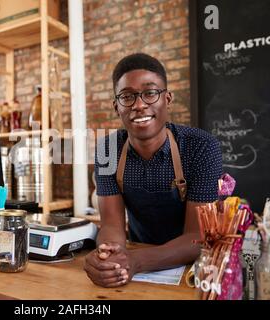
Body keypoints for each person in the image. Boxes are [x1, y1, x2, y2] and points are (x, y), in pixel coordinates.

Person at [84, 53, 223, 287]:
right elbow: (111, 225)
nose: (139, 105)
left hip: (194, 270)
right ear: (116, 107)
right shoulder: (107, 149)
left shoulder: (201, 147)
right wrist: (109, 256)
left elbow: (197, 238)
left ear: (167, 98)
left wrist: (136, 261)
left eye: (150, 93)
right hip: (136, 264)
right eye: (127, 96)